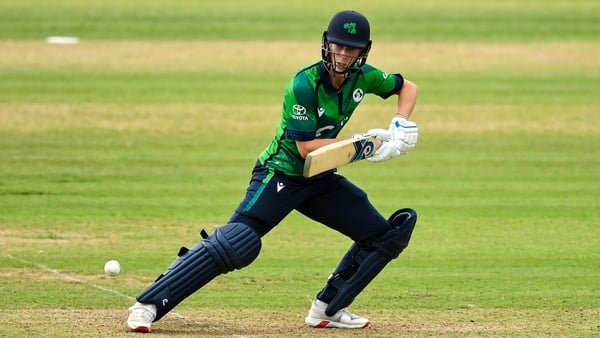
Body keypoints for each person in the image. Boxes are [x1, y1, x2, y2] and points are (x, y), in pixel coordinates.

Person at [126, 9, 419, 332]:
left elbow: (408, 87)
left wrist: (400, 123)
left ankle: (329, 308)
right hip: (279, 174)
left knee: (383, 236)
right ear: (326, 43)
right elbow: (305, 148)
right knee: (235, 242)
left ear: (363, 52)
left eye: (351, 49)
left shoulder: (365, 78)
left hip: (320, 178)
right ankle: (148, 304)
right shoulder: (303, 85)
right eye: (338, 46)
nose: (343, 54)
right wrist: (364, 144)